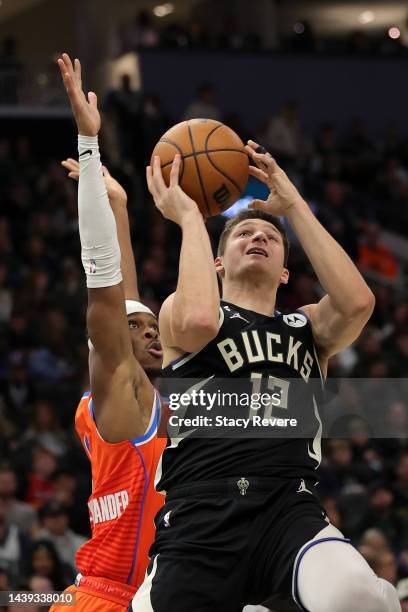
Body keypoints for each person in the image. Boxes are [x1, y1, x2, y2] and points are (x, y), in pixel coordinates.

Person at [131, 145, 400, 611]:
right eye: (243, 234)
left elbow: (359, 303)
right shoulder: (184, 311)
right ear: (216, 263)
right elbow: (198, 320)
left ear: (285, 272)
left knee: (358, 597)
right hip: (201, 512)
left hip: (287, 506)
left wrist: (292, 204)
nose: (257, 237)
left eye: (269, 238)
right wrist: (192, 219)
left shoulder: (307, 327)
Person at [51, 53, 165, 612]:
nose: (154, 335)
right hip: (108, 598)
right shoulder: (124, 386)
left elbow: (127, 299)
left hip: (150, 593)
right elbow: (104, 284)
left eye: (154, 328)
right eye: (139, 331)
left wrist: (120, 209)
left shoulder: (138, 385)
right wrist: (89, 150)